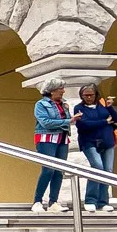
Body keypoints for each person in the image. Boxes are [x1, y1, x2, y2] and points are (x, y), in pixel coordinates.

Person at [73, 85, 117, 211]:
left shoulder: (103, 106)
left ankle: (103, 202)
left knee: (107, 171)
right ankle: (91, 199)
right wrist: (105, 122)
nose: (89, 97)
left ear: (96, 95)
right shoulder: (78, 108)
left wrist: (110, 107)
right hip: (89, 142)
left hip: (107, 142)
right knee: (97, 168)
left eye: (91, 95)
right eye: (86, 95)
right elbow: (84, 124)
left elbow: (116, 119)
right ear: (81, 96)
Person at [31, 79, 72, 212]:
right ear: (52, 90)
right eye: (61, 88)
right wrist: (68, 120)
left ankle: (53, 202)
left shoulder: (63, 104)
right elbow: (45, 122)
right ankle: (37, 201)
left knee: (59, 172)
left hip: (62, 138)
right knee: (48, 170)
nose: (63, 91)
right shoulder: (41, 104)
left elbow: (67, 121)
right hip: (46, 138)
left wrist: (71, 118)